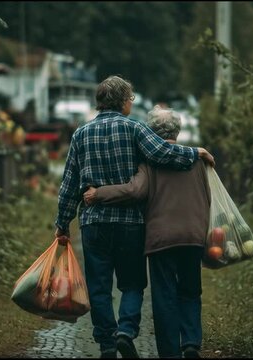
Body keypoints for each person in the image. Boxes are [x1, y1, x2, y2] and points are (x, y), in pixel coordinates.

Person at [54, 75, 215, 359]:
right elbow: (163, 153)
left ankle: (106, 344)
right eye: (130, 98)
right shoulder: (134, 128)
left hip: (94, 222)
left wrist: (62, 223)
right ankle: (125, 331)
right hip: (130, 223)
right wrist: (194, 152)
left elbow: (69, 182)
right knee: (132, 283)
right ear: (121, 102)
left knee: (99, 286)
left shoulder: (80, 134)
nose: (131, 103)